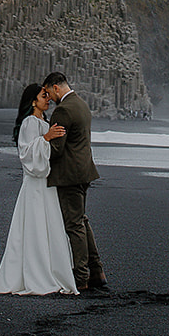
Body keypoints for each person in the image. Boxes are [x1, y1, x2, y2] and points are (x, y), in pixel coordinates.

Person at [0, 83, 78, 295]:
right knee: (35, 227)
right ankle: (37, 274)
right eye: (43, 96)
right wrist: (46, 138)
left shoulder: (43, 121)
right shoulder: (30, 122)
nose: (47, 99)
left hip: (46, 183)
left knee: (47, 226)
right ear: (33, 100)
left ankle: (50, 272)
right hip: (35, 185)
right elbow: (26, 154)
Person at [42, 70, 107, 292]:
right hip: (84, 171)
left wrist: (40, 142)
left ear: (56, 87)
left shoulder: (63, 111)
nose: (49, 98)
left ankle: (81, 278)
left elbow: (57, 149)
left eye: (49, 92)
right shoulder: (81, 104)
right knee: (82, 220)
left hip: (69, 175)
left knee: (74, 225)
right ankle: (96, 270)